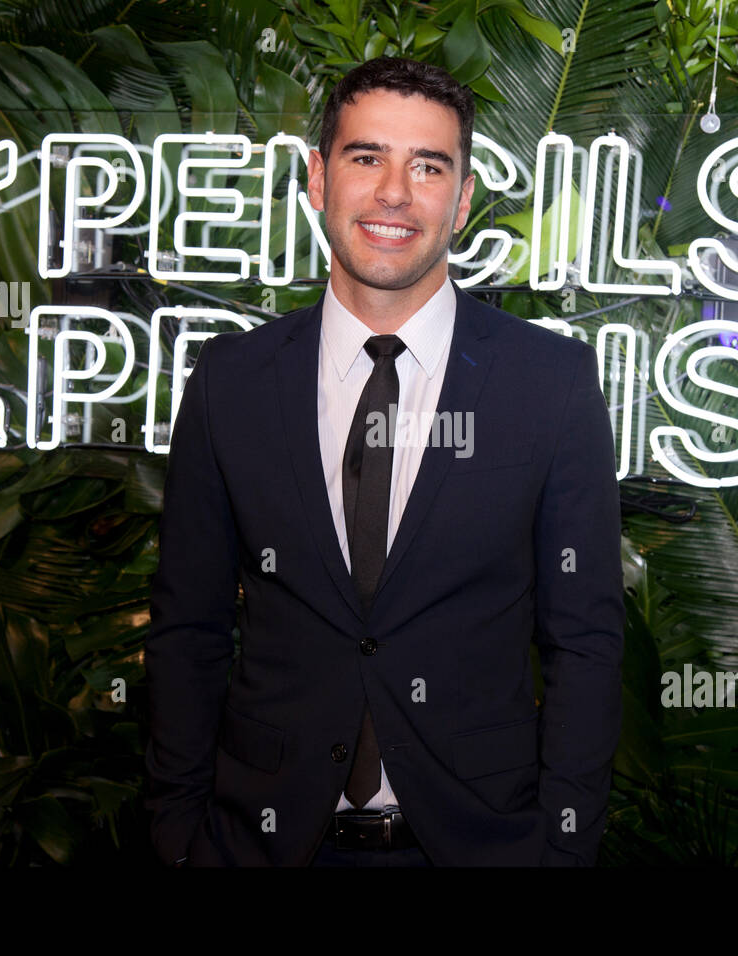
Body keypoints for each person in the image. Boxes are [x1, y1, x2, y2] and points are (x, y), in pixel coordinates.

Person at [144, 56, 624, 867]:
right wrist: (176, 836)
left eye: (428, 166)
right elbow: (188, 628)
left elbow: (585, 641)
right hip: (256, 842)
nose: (395, 193)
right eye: (367, 158)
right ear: (318, 178)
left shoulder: (551, 384)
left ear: (463, 198)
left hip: (479, 846)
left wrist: (560, 848)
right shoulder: (232, 381)